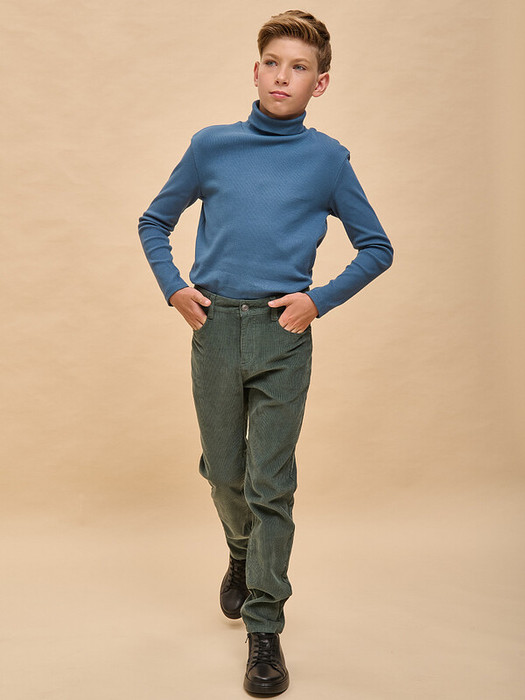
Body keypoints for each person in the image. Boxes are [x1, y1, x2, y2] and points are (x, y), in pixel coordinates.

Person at [138, 9, 393, 696]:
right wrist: (174, 289)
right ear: (256, 71)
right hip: (216, 329)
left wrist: (319, 301)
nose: (284, 76)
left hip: (284, 335)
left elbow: (377, 247)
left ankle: (264, 625)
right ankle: (240, 550)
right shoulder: (211, 147)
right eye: (273, 63)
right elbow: (154, 220)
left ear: (320, 83)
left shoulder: (328, 160)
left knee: (270, 483)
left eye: (299, 67)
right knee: (225, 473)